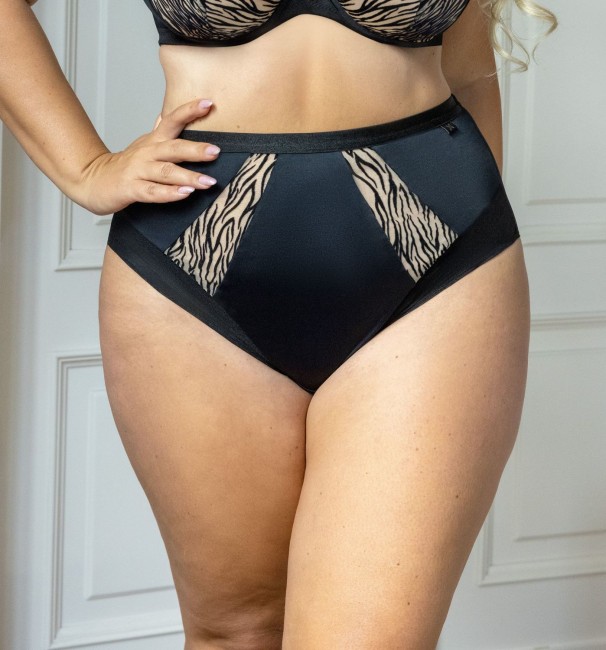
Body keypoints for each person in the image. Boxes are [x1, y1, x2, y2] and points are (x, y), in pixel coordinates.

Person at [0, 0, 557, 647]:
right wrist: (86, 169)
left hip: (433, 255)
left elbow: (468, 66)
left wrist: (460, 222)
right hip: (194, 261)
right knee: (235, 631)